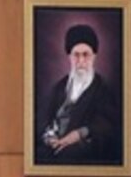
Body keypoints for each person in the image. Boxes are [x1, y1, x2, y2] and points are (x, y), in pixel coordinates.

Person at [35, 23, 122, 165]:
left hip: (83, 147)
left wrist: (79, 134)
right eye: (76, 55)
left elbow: (107, 127)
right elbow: (44, 120)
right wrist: (49, 138)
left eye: (86, 55)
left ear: (94, 56)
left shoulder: (103, 89)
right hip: (54, 145)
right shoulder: (59, 87)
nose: (81, 61)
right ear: (69, 57)